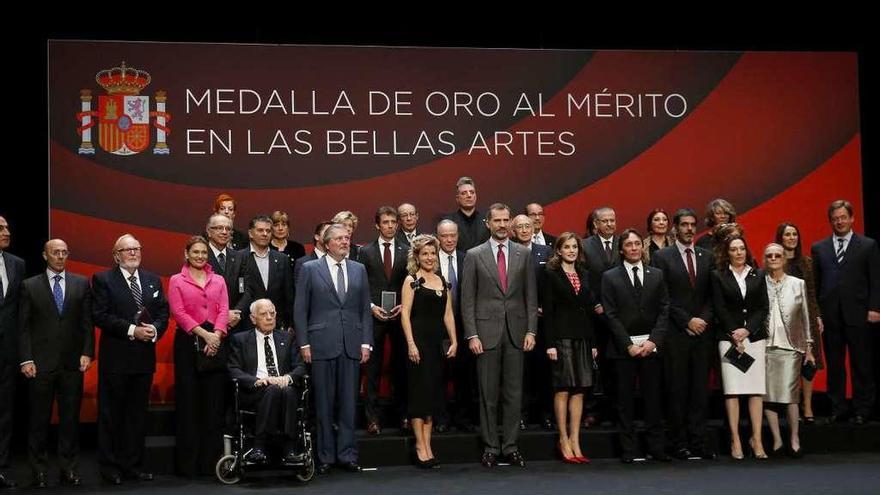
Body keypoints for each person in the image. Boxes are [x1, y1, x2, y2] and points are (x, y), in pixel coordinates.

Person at [461, 203, 537, 468]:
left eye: (506, 220)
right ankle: (492, 446)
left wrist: (531, 330)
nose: (503, 225)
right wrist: (471, 335)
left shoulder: (523, 254)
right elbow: (467, 300)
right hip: (485, 334)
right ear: (488, 223)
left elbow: (530, 296)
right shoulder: (474, 255)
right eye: (498, 221)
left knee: (514, 394)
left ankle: (511, 445)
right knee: (488, 394)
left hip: (517, 332)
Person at [294, 224, 372, 474]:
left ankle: (347, 454)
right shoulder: (309, 268)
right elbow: (300, 309)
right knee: (324, 404)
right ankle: (325, 456)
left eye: (347, 238)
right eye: (338, 238)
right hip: (321, 345)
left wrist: (365, 342)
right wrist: (304, 343)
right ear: (326, 243)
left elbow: (364, 309)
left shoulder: (359, 269)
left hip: (351, 344)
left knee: (349, 404)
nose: (344, 242)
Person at [92, 234, 169, 484]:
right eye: (127, 250)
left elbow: (162, 313)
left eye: (137, 248)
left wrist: (155, 329)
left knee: (136, 416)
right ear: (116, 255)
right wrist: (131, 330)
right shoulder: (104, 280)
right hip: (116, 359)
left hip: (143, 360)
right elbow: (100, 315)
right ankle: (110, 467)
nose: (134, 253)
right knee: (112, 415)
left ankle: (133, 466)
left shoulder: (152, 280)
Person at [18, 239, 93, 487]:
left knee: (70, 420)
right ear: (44, 255)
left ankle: (68, 469)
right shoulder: (29, 286)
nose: (60, 256)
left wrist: (87, 352)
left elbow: (86, 323)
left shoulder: (81, 283)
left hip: (72, 363)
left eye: (64, 252)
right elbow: (24, 327)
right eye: (55, 252)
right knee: (39, 421)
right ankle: (38, 470)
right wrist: (26, 358)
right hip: (39, 364)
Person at [651, 208, 717, 460]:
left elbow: (713, 296)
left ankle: (699, 442)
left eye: (692, 224)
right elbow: (663, 296)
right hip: (676, 334)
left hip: (702, 334)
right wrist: (687, 320)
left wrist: (702, 320)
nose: (689, 229)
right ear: (675, 228)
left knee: (700, 390)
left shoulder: (707, 256)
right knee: (676, 390)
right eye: (684, 225)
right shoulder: (662, 257)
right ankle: (677, 442)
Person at [601, 229, 670, 463]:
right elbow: (609, 315)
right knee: (625, 402)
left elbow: (664, 310)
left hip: (652, 347)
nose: (633, 248)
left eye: (637, 244)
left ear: (643, 247)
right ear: (621, 249)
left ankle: (656, 448)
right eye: (628, 244)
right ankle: (628, 450)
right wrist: (628, 344)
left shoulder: (657, 275)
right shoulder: (610, 277)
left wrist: (653, 341)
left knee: (653, 400)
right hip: (623, 349)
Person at [811, 200, 880, 425]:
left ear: (852, 219)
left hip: (859, 313)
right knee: (835, 364)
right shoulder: (819, 248)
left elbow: (875, 280)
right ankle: (838, 408)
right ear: (830, 221)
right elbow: (817, 284)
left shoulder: (868, 245)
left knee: (861, 363)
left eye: (843, 217)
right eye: (835, 218)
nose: (839, 221)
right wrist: (818, 314)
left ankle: (862, 409)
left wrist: (874, 308)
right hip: (831, 316)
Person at [167, 236, 229, 476]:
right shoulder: (176, 280)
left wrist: (216, 336)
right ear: (186, 254)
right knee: (189, 405)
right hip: (188, 344)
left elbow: (224, 309)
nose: (201, 256)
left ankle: (210, 464)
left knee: (213, 406)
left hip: (215, 344)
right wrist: (205, 334)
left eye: (204, 252)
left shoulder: (219, 280)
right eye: (196, 252)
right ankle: (188, 465)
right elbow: (178, 312)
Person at [400, 235, 457, 467]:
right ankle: (419, 446)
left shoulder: (442, 281)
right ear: (417, 256)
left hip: (436, 345)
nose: (430, 257)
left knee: (433, 396)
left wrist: (454, 340)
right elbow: (405, 314)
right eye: (425, 253)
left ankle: (429, 446)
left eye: (433, 253)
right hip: (418, 345)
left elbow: (448, 314)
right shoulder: (412, 280)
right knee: (419, 396)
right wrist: (411, 343)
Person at [711, 232, 769, 460]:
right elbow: (719, 307)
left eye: (741, 249)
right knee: (732, 391)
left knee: (756, 391)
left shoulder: (758, 274)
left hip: (754, 338)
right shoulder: (718, 276)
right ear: (727, 253)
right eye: (733, 249)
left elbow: (763, 307)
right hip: (729, 338)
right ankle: (735, 440)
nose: (738, 253)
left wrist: (748, 330)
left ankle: (757, 438)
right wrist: (735, 333)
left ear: (747, 251)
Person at [228, 299, 306, 464]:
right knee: (273, 389)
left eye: (272, 313)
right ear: (253, 318)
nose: (270, 317)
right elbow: (233, 369)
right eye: (264, 314)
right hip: (255, 392)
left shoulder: (288, 338)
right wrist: (257, 381)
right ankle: (259, 446)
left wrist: (288, 377)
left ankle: (290, 448)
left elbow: (300, 366)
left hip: (284, 389)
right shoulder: (240, 340)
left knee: (287, 390)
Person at [542, 232, 597, 463]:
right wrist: (550, 344)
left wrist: (593, 343)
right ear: (559, 251)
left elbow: (589, 310)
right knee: (563, 388)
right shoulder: (551, 275)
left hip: (582, 337)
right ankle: (563, 439)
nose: (572, 251)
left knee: (580, 388)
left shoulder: (585, 273)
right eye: (567, 247)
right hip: (561, 338)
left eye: (575, 247)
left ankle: (576, 439)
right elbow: (549, 312)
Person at [358, 206, 410, 435]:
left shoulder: (407, 249)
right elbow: (360, 285)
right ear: (377, 225)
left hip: (400, 316)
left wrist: (404, 305)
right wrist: (370, 307)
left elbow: (411, 281)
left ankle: (405, 416)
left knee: (401, 368)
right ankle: (372, 419)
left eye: (393, 222)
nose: (390, 225)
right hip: (374, 316)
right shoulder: (365, 252)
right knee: (373, 370)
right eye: (386, 222)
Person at [761, 243, 814, 458]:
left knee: (791, 396)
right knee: (768, 396)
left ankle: (794, 437)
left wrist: (809, 347)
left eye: (777, 255)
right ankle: (776, 439)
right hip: (764, 346)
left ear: (784, 259)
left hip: (791, 346)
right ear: (765, 260)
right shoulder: (758, 282)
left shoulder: (797, 284)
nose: (773, 258)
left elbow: (806, 317)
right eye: (769, 256)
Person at [775, 222, 824, 424]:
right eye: (787, 234)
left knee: (808, 363)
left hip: (806, 318)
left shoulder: (806, 263)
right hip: (782, 319)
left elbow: (811, 293)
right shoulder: (775, 261)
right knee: (787, 363)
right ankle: (789, 404)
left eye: (795, 234)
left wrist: (817, 316)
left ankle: (808, 406)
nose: (792, 237)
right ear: (781, 238)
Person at [511, 214, 553, 430]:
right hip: (518, 320)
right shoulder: (508, 251)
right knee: (521, 371)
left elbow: (553, 283)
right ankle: (522, 414)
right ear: (513, 230)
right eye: (520, 227)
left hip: (543, 321)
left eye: (528, 226)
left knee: (544, 369)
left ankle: (545, 413)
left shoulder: (546, 252)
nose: (525, 230)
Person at [436, 219, 475, 431]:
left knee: (464, 374)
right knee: (440, 373)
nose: (449, 239)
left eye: (453, 235)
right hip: (439, 326)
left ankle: (463, 418)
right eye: (445, 236)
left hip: (464, 324)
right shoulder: (430, 260)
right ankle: (441, 419)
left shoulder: (467, 258)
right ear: (437, 237)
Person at [0, 215, 25, 488]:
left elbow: (19, 309)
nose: (7, 231)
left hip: (8, 351)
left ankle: (1, 466)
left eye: (7, 226)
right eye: (1, 228)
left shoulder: (17, 264)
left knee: (4, 410)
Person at [240, 216, 294, 331]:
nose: (265, 234)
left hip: (277, 324)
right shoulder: (239, 258)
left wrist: (289, 322)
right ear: (250, 233)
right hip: (247, 325)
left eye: (268, 231)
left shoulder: (282, 259)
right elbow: (239, 290)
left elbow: (288, 294)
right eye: (260, 230)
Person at [205, 214, 249, 334]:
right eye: (219, 228)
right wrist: (223, 316)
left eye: (228, 229)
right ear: (209, 231)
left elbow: (244, 288)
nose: (224, 232)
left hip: (235, 323)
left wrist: (236, 312)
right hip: (208, 326)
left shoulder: (239, 257)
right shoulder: (201, 256)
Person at [441, 176, 490, 252]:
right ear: (457, 199)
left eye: (472, 192)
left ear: (475, 196)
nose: (469, 195)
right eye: (464, 193)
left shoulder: (487, 220)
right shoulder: (448, 222)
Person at [269, 210, 306, 275]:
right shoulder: (266, 248)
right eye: (276, 225)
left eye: (283, 225)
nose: (280, 228)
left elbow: (302, 273)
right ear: (271, 228)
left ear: (288, 228)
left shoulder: (297, 248)